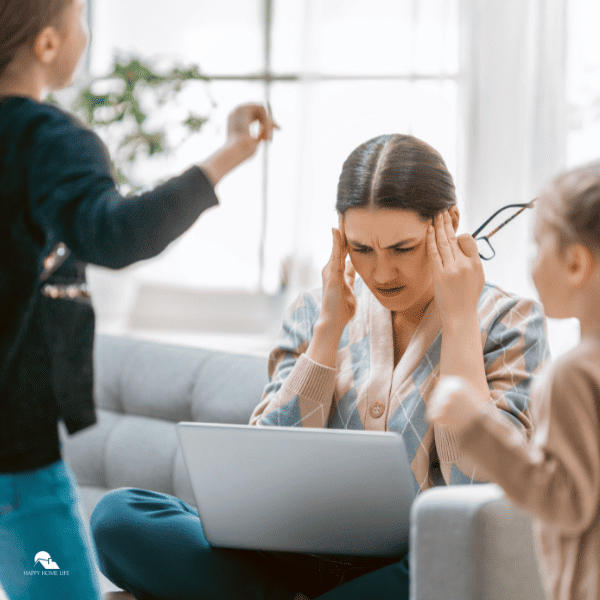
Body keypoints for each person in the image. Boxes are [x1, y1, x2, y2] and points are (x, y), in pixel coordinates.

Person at [90, 133, 550, 600]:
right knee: (119, 517)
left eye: (402, 248)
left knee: (456, 567)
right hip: (295, 555)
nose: (383, 274)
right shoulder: (314, 312)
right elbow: (263, 471)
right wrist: (328, 332)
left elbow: (481, 487)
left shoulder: (511, 322)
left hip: (411, 565)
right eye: (363, 249)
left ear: (449, 223)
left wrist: (458, 319)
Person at [0, 0, 277, 598]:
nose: (87, 33)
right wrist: (227, 156)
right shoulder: (45, 138)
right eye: (80, 19)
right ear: (47, 45)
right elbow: (117, 232)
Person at [427, 162, 600, 600]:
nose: (530, 263)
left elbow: (565, 500)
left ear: (576, 263)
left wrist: (473, 424)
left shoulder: (573, 374)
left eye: (537, 245)